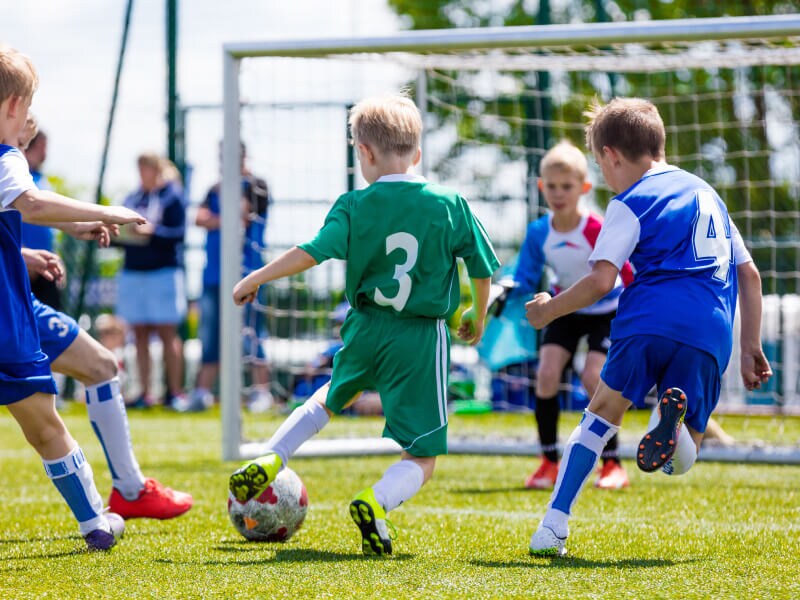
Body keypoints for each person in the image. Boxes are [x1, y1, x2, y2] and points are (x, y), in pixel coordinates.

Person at [227, 93, 500, 556]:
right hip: (418, 336)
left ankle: (273, 453)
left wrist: (257, 275)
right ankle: (375, 503)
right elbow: (481, 264)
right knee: (423, 453)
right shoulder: (449, 203)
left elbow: (310, 252)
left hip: (364, 324)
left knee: (330, 396)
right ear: (416, 154)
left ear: (364, 154)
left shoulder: (352, 205)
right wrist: (478, 309)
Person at [526, 97, 772, 556]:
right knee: (681, 459)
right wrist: (750, 345)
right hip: (710, 332)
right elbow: (751, 275)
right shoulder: (709, 196)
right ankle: (671, 423)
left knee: (598, 418)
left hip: (649, 320)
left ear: (612, 155)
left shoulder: (630, 201)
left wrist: (549, 311)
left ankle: (553, 527)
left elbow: (602, 280)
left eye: (601, 167)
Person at [0, 45, 148, 550]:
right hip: (6, 319)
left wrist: (21, 258)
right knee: (44, 422)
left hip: (14, 299)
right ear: (15, 106)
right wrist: (110, 211)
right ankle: (95, 522)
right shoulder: (6, 158)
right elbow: (33, 202)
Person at [513, 141, 633, 491]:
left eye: (566, 187)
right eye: (551, 186)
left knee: (593, 377)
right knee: (546, 374)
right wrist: (509, 289)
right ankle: (549, 461)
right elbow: (524, 275)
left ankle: (612, 464)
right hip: (564, 307)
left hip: (607, 310)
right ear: (541, 187)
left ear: (583, 188)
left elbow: (625, 273)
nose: (558, 193)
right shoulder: (538, 232)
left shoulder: (597, 228)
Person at [191, 143, 272, 412]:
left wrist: (222, 216)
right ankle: (201, 393)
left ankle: (262, 392)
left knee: (252, 333)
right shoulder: (214, 188)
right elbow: (200, 218)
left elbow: (243, 215)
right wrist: (222, 219)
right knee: (211, 335)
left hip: (248, 274)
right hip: (215, 276)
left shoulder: (257, 185)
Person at [116, 153, 188, 408]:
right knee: (140, 335)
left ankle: (175, 393)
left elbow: (179, 233)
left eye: (145, 168)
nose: (142, 173)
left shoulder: (172, 195)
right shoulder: (132, 198)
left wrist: (152, 232)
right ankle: (144, 392)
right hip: (134, 272)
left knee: (168, 333)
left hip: (163, 273)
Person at [21, 127, 63, 310]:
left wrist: (56, 258)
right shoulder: (14, 178)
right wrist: (25, 256)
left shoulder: (42, 179)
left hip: (45, 264)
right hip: (22, 263)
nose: (45, 153)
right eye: (41, 146)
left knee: (52, 324)